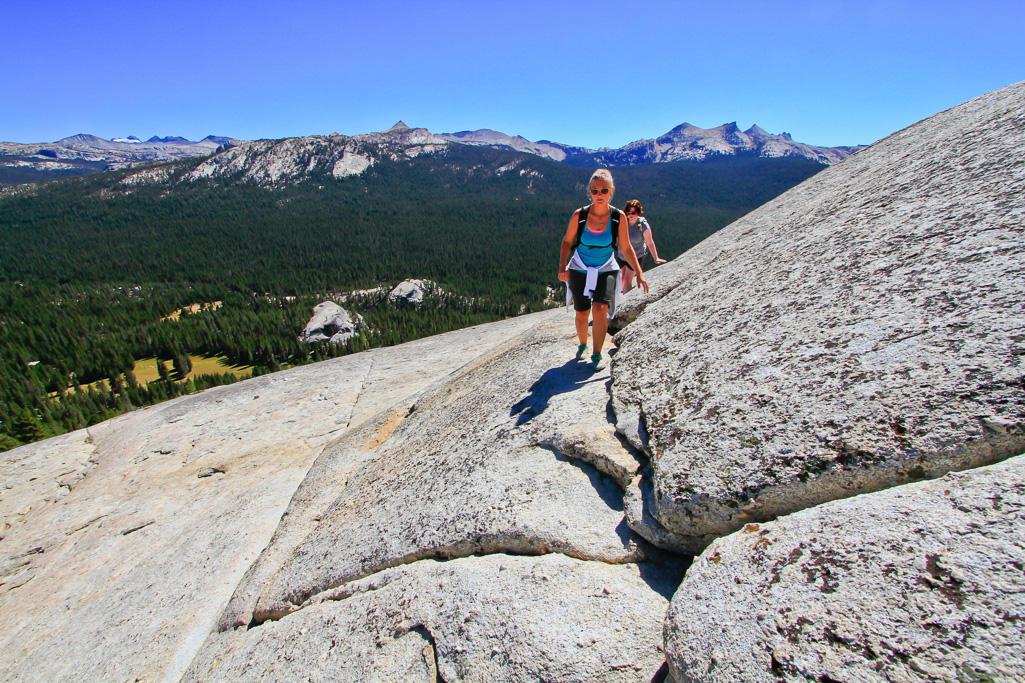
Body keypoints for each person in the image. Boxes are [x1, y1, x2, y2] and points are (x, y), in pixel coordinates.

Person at [558, 169, 649, 370]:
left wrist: (639, 273)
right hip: (579, 267)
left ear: (611, 191)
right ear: (589, 192)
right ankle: (583, 345)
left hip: (606, 267)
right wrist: (563, 266)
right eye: (595, 191)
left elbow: (625, 247)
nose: (599, 195)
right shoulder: (579, 215)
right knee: (582, 312)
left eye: (604, 190)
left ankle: (597, 354)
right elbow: (567, 241)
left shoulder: (619, 217)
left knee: (600, 309)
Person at [617, 199, 666, 293]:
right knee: (620, 279)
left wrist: (656, 258)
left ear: (638, 213)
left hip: (636, 256)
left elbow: (650, 242)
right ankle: (620, 300)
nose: (630, 215)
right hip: (622, 255)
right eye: (628, 212)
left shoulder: (643, 225)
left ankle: (625, 304)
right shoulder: (623, 222)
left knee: (627, 280)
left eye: (633, 212)